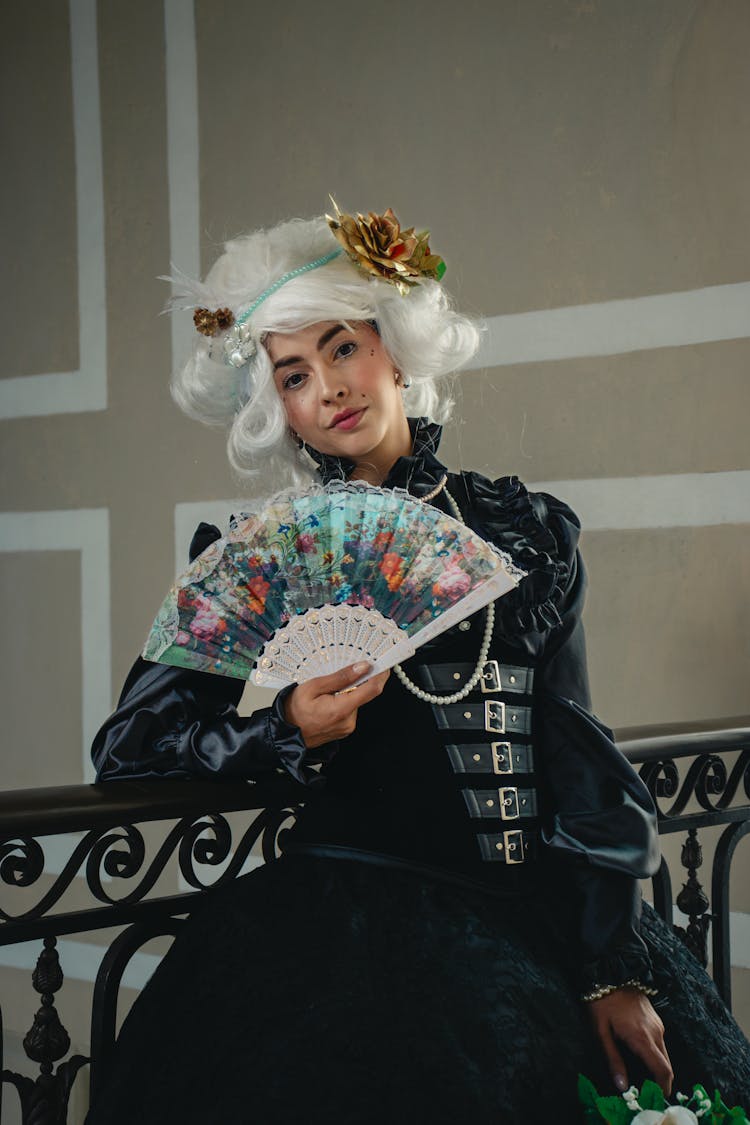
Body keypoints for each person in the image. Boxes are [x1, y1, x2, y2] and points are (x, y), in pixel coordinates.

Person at [86, 204, 750, 1124]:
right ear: (277, 404)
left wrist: (609, 966)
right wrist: (283, 729)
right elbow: (129, 745)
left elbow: (580, 759)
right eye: (293, 373)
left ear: (394, 349)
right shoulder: (266, 553)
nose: (328, 387)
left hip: (533, 924)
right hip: (344, 941)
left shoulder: (524, 533)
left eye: (342, 347)